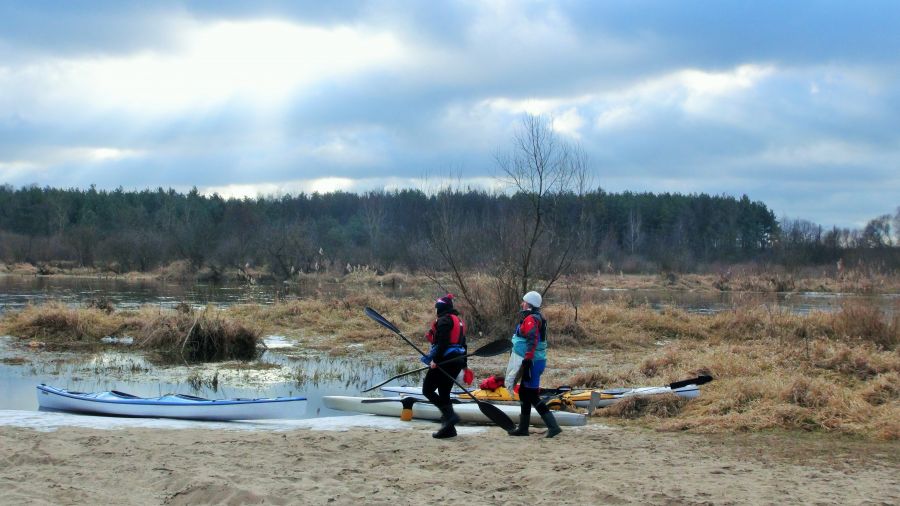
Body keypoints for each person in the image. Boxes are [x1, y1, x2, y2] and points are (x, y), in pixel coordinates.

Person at [506, 290, 562, 438]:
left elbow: (532, 338)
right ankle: (523, 428)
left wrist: (528, 358)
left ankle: (553, 426)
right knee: (524, 394)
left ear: (529, 304)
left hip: (533, 361)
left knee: (531, 395)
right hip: (534, 360)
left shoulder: (531, 319)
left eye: (524, 301)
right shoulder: (535, 317)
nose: (522, 303)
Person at [421, 293, 467, 439]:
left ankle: (450, 416)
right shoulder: (458, 321)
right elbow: (464, 344)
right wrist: (464, 366)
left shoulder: (444, 320)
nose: (436, 311)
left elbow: (443, 342)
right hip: (457, 359)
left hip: (446, 360)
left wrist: (435, 360)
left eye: (436, 308)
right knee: (444, 393)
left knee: (427, 389)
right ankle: (449, 429)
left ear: (440, 308)